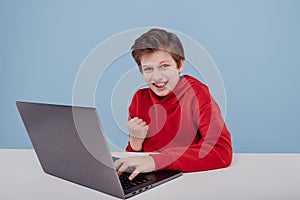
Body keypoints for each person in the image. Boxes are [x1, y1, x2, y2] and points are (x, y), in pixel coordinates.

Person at [114, 28, 232, 180]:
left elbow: (221, 151)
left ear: (180, 65)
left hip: (189, 179)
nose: (157, 77)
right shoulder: (139, 99)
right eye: (148, 69)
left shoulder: (197, 94)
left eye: (164, 66)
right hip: (151, 180)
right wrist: (135, 142)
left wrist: (156, 161)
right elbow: (138, 161)